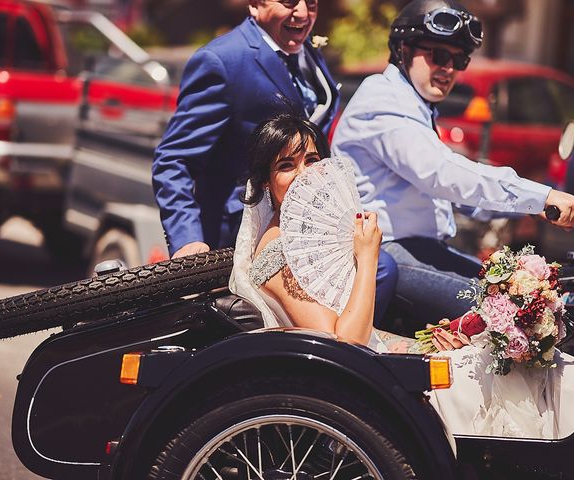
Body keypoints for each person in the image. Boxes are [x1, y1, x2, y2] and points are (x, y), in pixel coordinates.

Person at [230, 113, 574, 439]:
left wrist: (426, 341)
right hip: (359, 381)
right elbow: (343, 344)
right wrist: (367, 258)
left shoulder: (311, 235)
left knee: (506, 358)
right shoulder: (277, 249)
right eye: (287, 165)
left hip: (377, 357)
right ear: (265, 181)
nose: (305, 173)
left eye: (312, 159)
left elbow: (356, 324)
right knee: (498, 374)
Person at [330, 0, 574, 329]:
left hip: (420, 249)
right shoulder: (383, 102)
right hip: (388, 253)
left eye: (459, 60)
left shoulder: (413, 102)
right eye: (439, 56)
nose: (449, 69)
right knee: (515, 309)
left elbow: (453, 195)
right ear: (403, 49)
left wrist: (531, 208)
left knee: (530, 292)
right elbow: (443, 175)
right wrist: (540, 196)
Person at [152, 0, 397, 323]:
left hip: (310, 230)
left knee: (381, 271)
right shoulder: (223, 61)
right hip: (246, 231)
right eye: (287, 2)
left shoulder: (307, 52)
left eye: (311, 3)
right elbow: (174, 160)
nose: (302, 13)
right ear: (255, 4)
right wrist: (187, 239)